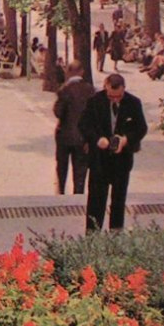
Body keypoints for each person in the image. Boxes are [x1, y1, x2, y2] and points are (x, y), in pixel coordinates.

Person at [78, 73, 147, 232]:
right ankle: (92, 235)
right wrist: (97, 139)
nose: (115, 100)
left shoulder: (133, 103)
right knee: (96, 199)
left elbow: (141, 128)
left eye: (118, 97)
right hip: (99, 160)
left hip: (122, 160)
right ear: (105, 87)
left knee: (118, 199)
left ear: (124, 89)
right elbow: (83, 125)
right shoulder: (95, 101)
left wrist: (125, 140)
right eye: (111, 96)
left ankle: (116, 233)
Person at [52, 62, 95, 195]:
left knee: (62, 167)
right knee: (80, 170)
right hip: (83, 137)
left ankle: (61, 192)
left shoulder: (64, 89)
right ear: (82, 72)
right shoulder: (91, 90)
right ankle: (78, 194)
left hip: (64, 135)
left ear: (68, 72)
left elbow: (58, 112)